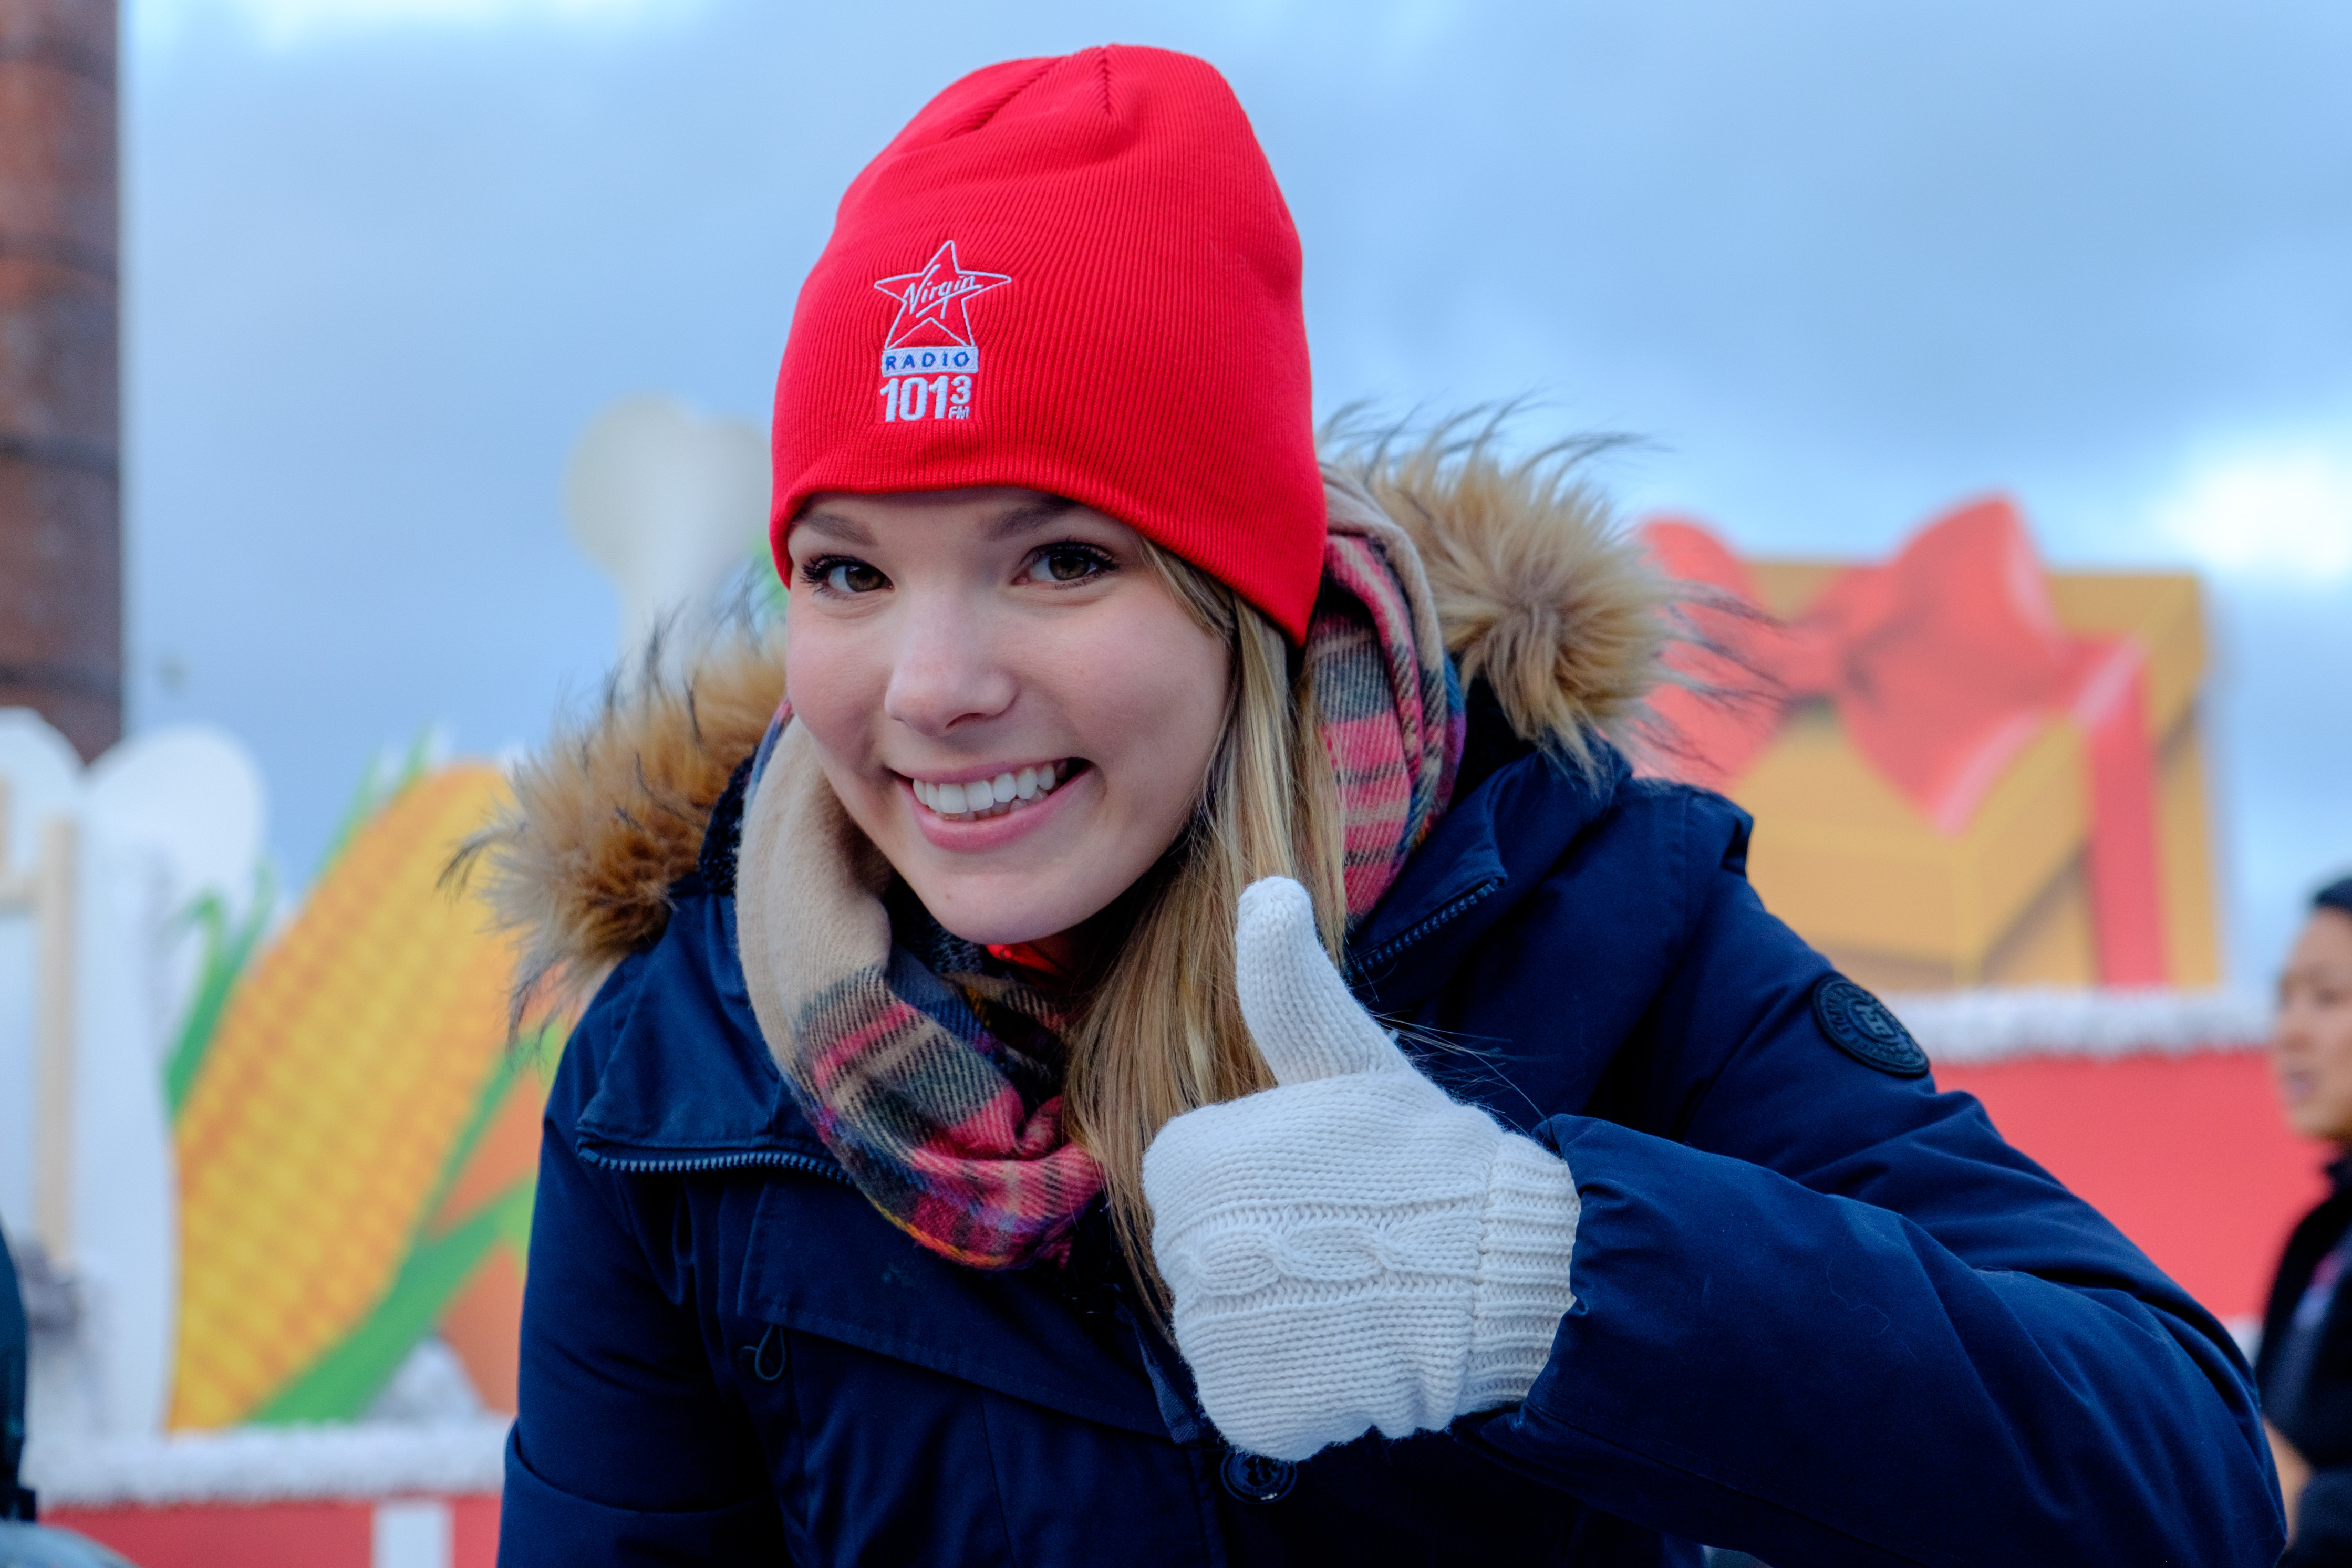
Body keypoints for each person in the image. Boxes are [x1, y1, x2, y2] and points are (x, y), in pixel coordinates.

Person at [477, 46, 2281, 1566]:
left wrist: (1548, 1273)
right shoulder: (674, 1082)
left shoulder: (1589, 917)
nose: (930, 682)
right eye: (847, 570)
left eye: (1059, 558)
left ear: (1240, 583)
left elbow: (2175, 1471)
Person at [2263, 876, 2352, 1563]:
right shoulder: (2320, 1234)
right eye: (2284, 996)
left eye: (2326, 997)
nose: (2289, 1030)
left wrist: (2301, 1505)